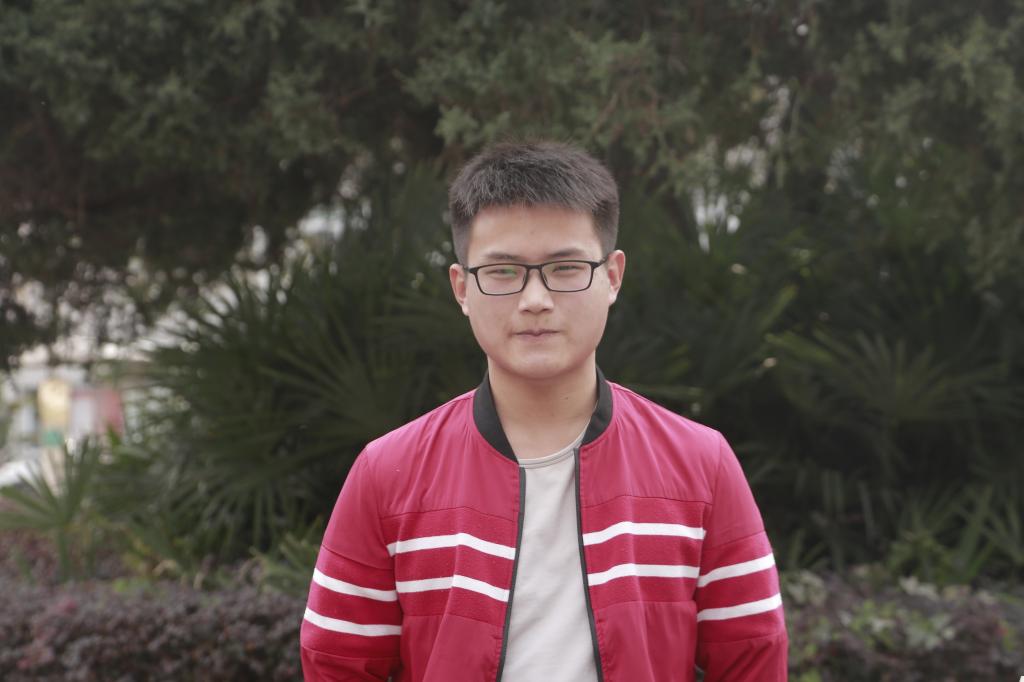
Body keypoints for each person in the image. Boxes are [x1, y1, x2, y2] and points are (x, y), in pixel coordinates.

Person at [300, 141, 788, 681]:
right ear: (462, 288)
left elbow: (754, 658)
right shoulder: (388, 473)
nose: (535, 299)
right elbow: (335, 663)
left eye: (566, 267)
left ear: (613, 277)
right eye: (503, 272)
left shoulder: (700, 465)